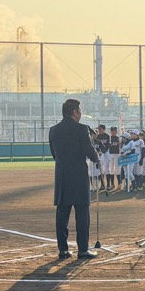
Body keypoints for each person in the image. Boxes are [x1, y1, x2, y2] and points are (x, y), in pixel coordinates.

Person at [48, 98, 100, 260]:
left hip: (62, 176)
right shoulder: (81, 129)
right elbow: (90, 152)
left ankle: (63, 250)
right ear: (75, 112)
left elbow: (54, 154)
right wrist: (96, 156)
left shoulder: (53, 130)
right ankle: (83, 249)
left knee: (62, 216)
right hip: (78, 177)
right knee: (82, 215)